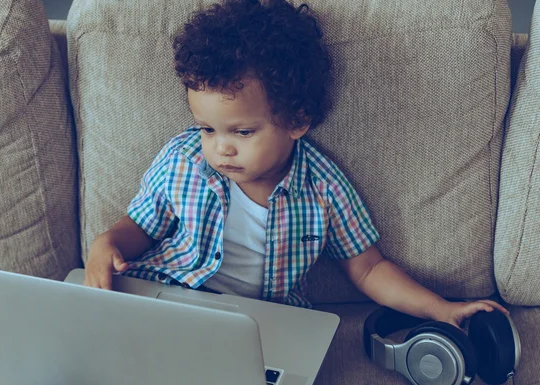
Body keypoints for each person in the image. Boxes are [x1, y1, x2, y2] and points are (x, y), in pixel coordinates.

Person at [84, 0, 507, 327]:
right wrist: (109, 242)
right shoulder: (182, 158)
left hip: (264, 325)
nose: (221, 149)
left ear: (297, 121)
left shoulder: (323, 187)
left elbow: (369, 267)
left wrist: (439, 309)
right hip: (169, 301)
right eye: (208, 129)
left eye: (243, 132)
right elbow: (139, 227)